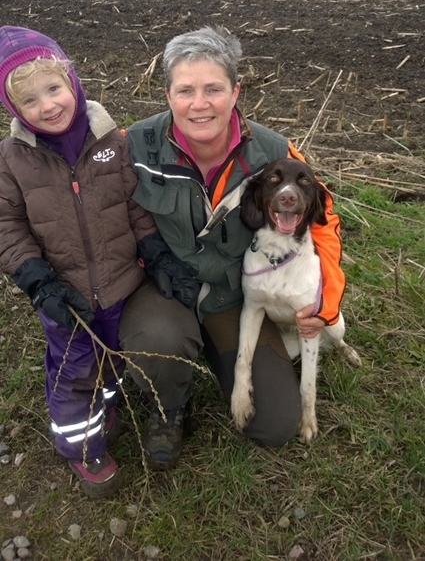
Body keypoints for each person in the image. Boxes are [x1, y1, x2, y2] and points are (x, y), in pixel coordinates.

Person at [119, 25, 346, 471]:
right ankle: (169, 408)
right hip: (166, 288)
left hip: (235, 297)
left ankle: (231, 356)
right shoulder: (134, 144)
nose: (199, 104)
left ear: (236, 90)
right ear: (167, 94)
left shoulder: (275, 151)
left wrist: (329, 299)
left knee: (275, 423)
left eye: (213, 89)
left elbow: (325, 223)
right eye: (185, 90)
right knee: (157, 338)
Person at [0, 25, 199, 498]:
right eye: (30, 100)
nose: (47, 106)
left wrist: (155, 253)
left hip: (120, 286)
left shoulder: (111, 140)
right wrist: (38, 281)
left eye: (54, 89)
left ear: (73, 83)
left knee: (109, 367)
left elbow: (133, 206)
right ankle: (81, 448)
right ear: (13, 109)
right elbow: (7, 228)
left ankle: (105, 410)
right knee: (74, 374)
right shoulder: (12, 159)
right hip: (64, 297)